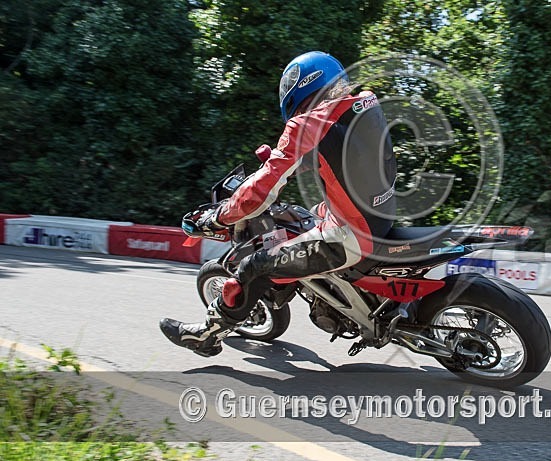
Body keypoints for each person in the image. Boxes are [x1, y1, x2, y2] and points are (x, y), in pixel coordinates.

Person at [160, 51, 397, 357]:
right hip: (379, 213)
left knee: (255, 266)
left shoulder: (306, 125)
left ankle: (206, 336)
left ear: (301, 87)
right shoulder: (365, 103)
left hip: (351, 234)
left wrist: (220, 216)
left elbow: (260, 191)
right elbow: (352, 154)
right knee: (306, 215)